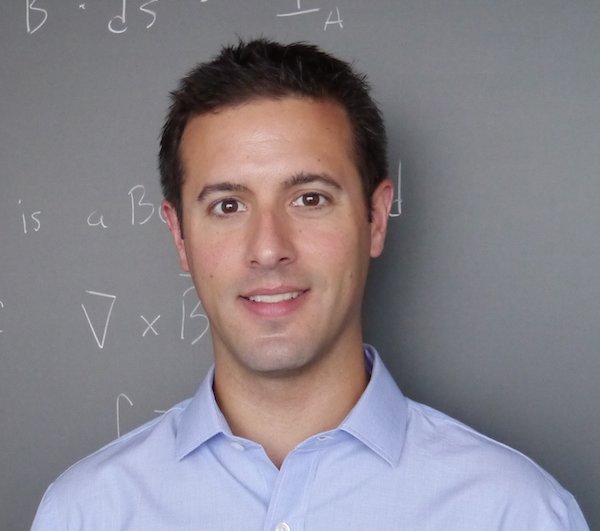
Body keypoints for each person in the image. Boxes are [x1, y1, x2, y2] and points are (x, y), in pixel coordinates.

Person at [31, 38, 589, 530]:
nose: (268, 248)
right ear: (180, 236)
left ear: (375, 219)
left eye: (310, 199)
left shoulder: (516, 514)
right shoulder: (85, 516)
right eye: (228, 205)